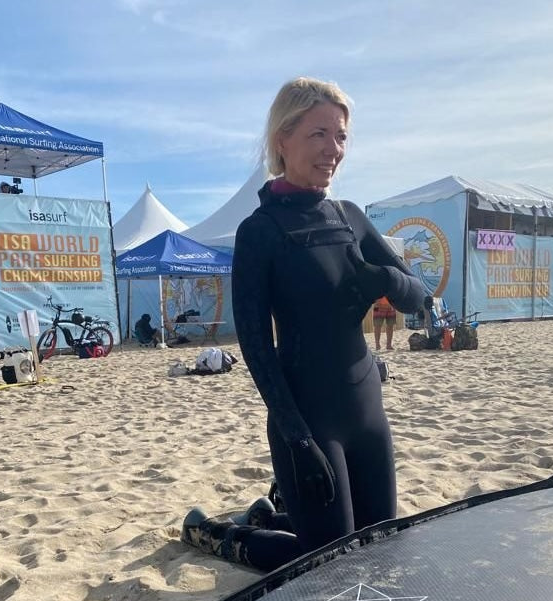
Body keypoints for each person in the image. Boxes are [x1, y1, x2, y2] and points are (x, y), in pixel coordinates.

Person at [182, 76, 426, 572]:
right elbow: (255, 345)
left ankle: (271, 512)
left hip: (365, 413)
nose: (333, 149)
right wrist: (297, 438)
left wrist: (385, 278)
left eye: (340, 136)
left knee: (381, 547)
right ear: (283, 140)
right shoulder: (260, 232)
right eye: (318, 134)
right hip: (307, 421)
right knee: (327, 565)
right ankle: (220, 533)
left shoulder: (350, 217)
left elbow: (420, 299)